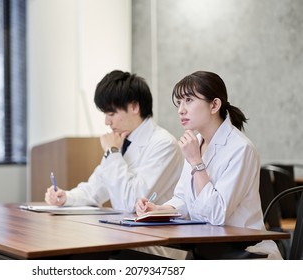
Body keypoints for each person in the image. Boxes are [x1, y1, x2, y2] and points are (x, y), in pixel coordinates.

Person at [135, 70, 282, 259]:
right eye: (179, 102)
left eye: (189, 100)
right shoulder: (196, 142)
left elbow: (216, 215)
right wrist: (159, 210)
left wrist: (196, 162)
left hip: (245, 254)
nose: (181, 109)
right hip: (208, 249)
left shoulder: (241, 149)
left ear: (214, 105)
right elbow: (183, 199)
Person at [45, 70, 184, 213]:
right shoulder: (121, 141)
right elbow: (95, 189)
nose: (107, 122)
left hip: (159, 232)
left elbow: (131, 203)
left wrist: (112, 152)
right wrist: (66, 197)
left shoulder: (164, 145)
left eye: (111, 114)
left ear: (134, 107)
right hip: (128, 229)